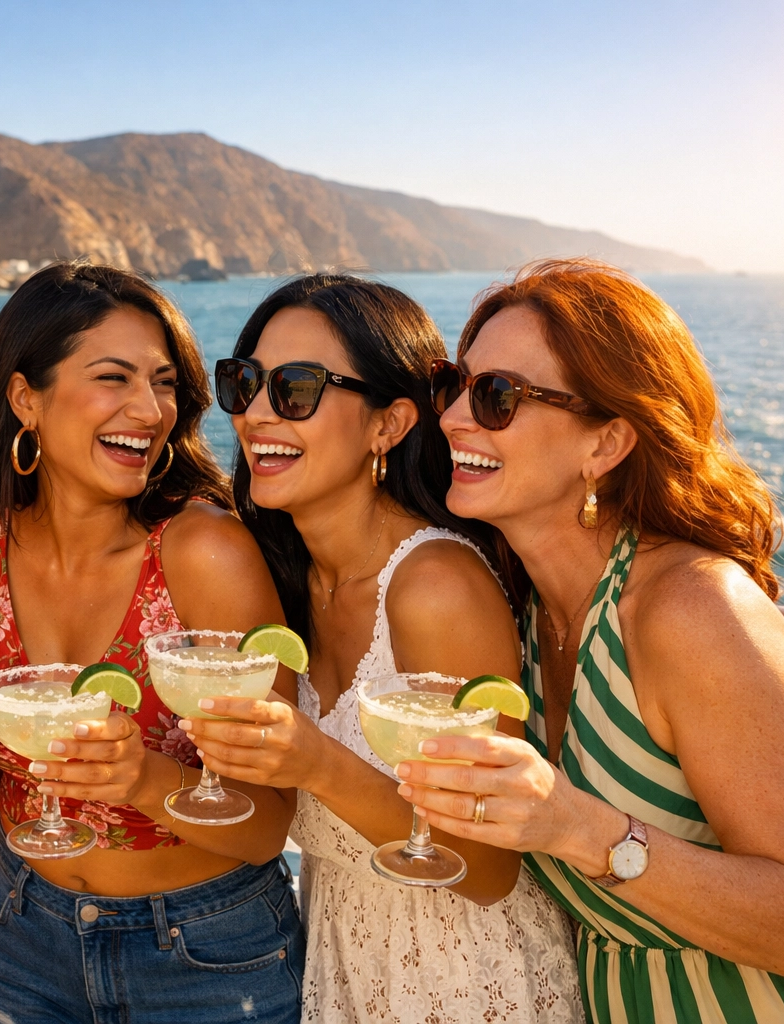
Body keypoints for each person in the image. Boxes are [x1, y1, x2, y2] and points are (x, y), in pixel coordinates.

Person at [396, 258, 784, 1020]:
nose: (453, 417)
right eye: (452, 385)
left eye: (497, 397)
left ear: (607, 443)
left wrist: (577, 826)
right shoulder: (523, 610)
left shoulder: (693, 609)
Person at [182, 274, 583, 1023]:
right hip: (342, 965)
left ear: (390, 424)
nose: (257, 412)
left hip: (466, 979)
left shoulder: (435, 587)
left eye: (296, 388)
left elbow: (488, 866)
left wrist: (313, 763)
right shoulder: (286, 580)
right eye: (246, 382)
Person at [0, 262, 305, 1023]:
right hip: (19, 930)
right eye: (113, 377)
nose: (149, 410)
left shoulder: (204, 552)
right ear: (25, 398)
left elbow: (271, 822)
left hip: (204, 955)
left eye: (164, 383)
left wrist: (142, 779)